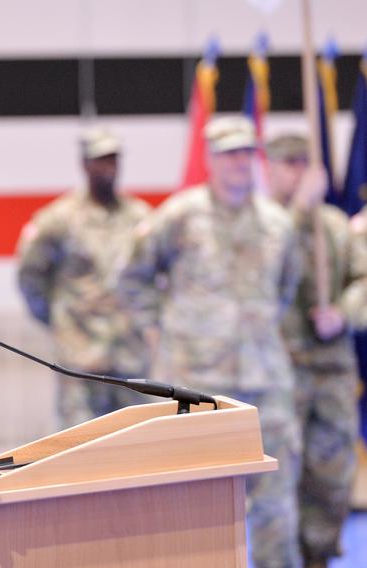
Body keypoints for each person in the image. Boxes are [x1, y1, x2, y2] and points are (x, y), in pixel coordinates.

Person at [119, 116, 303, 568]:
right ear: (211, 159)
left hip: (265, 378)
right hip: (196, 384)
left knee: (276, 497)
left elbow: (286, 288)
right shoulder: (180, 216)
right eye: (230, 154)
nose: (240, 163)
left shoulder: (279, 223)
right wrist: (154, 327)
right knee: (191, 498)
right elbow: (133, 279)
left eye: (246, 153)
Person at [264, 134, 367, 568]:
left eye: (305, 162)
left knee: (330, 478)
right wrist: (299, 212)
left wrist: (342, 313)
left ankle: (318, 557)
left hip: (330, 371)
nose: (298, 170)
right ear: (268, 167)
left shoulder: (336, 227)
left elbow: (364, 281)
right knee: (276, 482)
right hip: (276, 373)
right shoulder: (261, 222)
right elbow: (261, 277)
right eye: (288, 163)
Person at [16, 127, 151, 427]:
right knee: (80, 448)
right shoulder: (59, 219)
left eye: (114, 159)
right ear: (85, 164)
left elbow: (153, 277)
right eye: (101, 160)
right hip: (81, 360)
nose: (109, 167)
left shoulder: (139, 216)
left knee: (137, 447)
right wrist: (58, 321)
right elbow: (30, 276)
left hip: (130, 356)